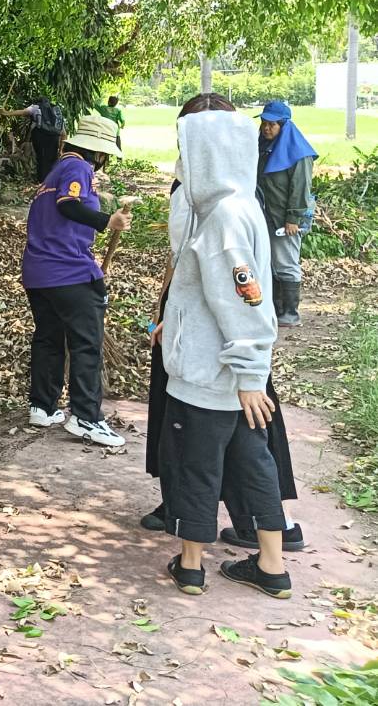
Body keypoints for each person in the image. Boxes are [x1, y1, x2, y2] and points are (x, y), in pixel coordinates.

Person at [141, 94, 303, 552]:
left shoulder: (231, 206)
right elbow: (181, 260)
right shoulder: (194, 192)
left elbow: (241, 295)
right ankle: (190, 512)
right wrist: (168, 315)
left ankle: (261, 523)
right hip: (192, 327)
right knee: (194, 426)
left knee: (243, 424)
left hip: (230, 336)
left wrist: (251, 363)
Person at [21, 113, 132, 448]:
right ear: (97, 152)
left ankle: (43, 406)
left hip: (38, 272)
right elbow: (68, 205)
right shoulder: (78, 167)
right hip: (67, 270)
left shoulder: (55, 170)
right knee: (87, 343)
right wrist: (107, 220)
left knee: (49, 338)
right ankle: (86, 417)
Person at [257, 101, 317, 328]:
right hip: (266, 215)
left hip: (286, 219)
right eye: (264, 123)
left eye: (272, 124)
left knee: (286, 262)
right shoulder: (265, 146)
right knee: (269, 262)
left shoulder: (299, 152)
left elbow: (301, 188)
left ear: (284, 125)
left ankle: (291, 314)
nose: (266, 128)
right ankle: (275, 309)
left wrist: (293, 218)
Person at [1, 96, 66, 182]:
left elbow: (23, 112)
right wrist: (61, 149)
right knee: (52, 159)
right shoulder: (56, 111)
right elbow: (64, 133)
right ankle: (51, 181)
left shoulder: (36, 107)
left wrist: (6, 113)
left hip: (41, 136)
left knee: (42, 158)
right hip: (54, 138)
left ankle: (42, 181)